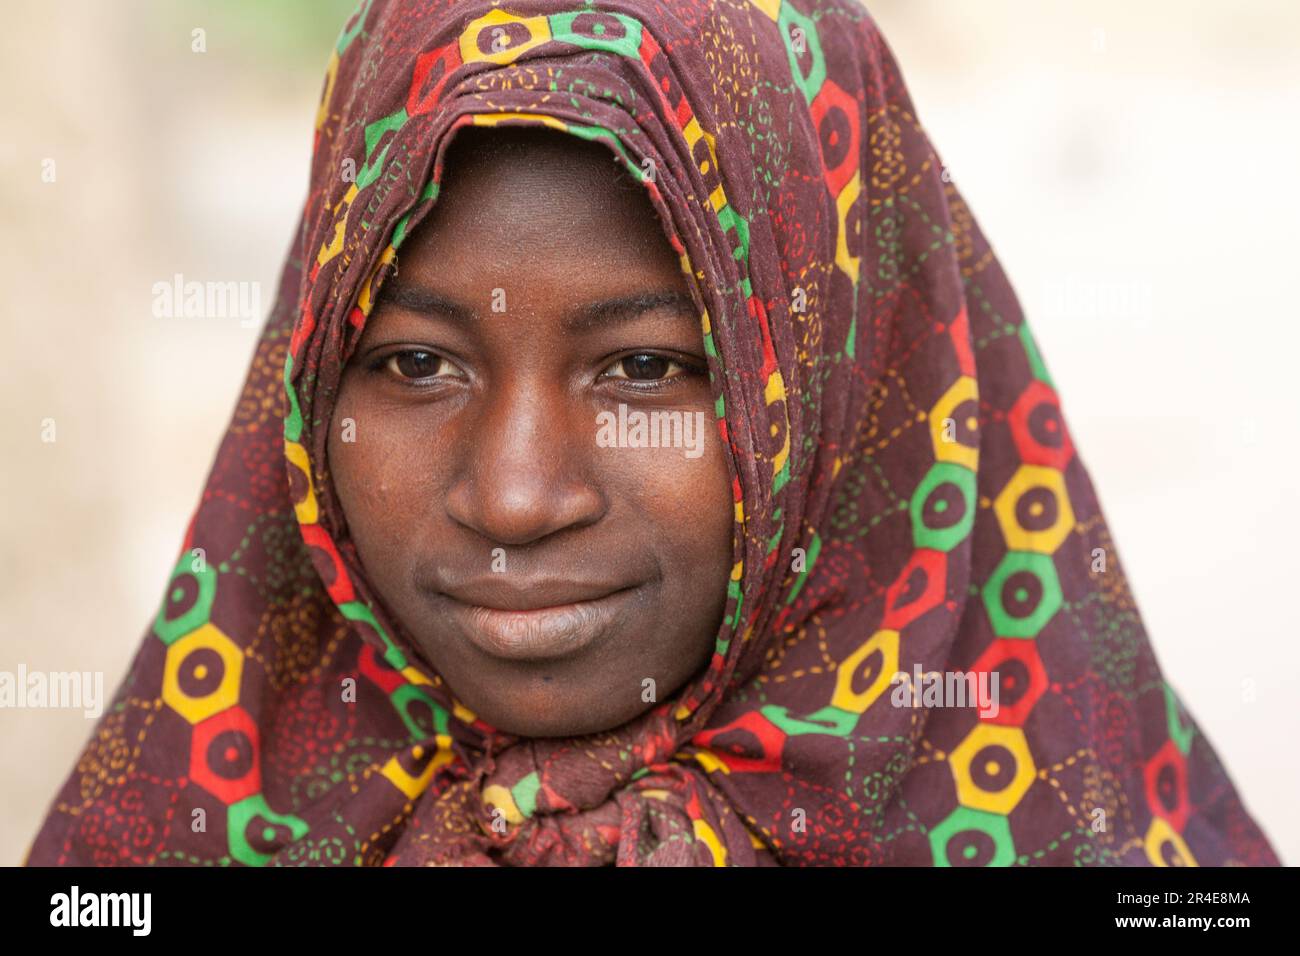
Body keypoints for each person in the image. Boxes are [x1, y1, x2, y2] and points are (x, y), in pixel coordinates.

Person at [25, 0, 1279, 867]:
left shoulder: (1087, 835)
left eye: (644, 366)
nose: (515, 497)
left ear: (846, 396)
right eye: (415, 361)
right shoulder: (173, 833)